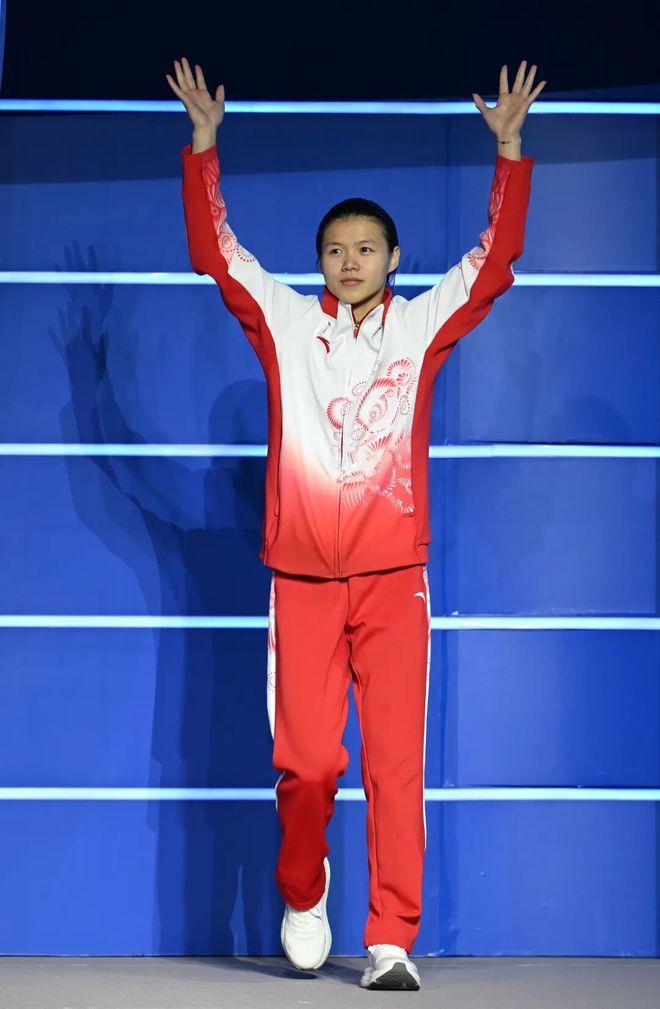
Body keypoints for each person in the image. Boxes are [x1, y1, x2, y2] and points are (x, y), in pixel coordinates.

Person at [166, 55, 545, 991]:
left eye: (367, 247)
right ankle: (305, 892)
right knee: (304, 765)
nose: (351, 260)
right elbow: (218, 254)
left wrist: (508, 153)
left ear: (393, 259)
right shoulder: (288, 326)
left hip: (391, 582)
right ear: (322, 261)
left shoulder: (419, 330)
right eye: (336, 248)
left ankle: (389, 938)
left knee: (394, 765)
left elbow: (493, 265)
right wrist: (204, 145)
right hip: (301, 584)